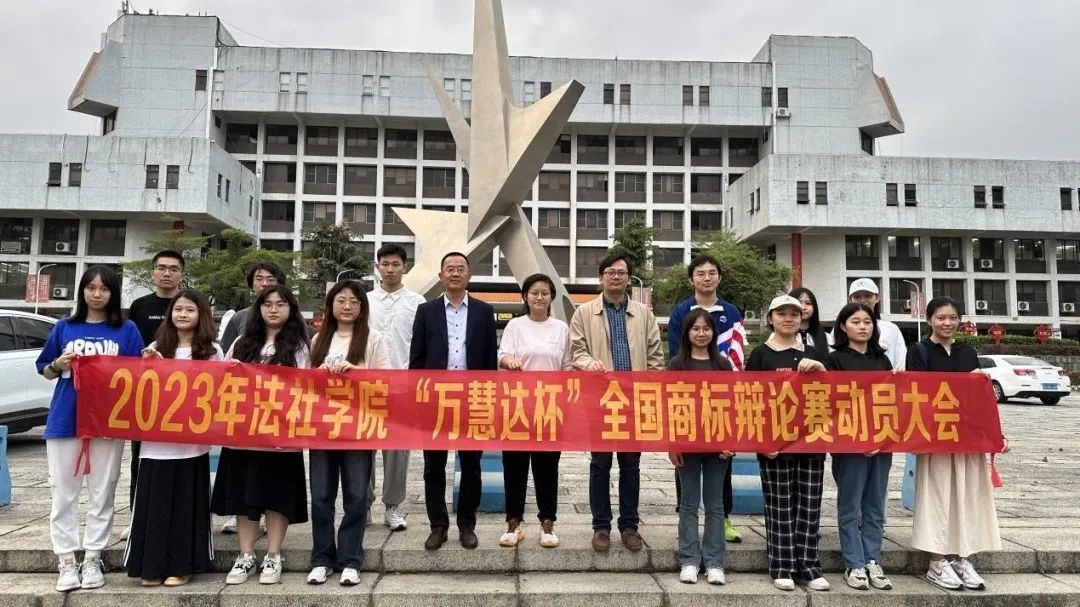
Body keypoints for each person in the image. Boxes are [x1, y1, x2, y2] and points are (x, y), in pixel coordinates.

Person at [36, 265, 144, 592]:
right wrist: (59, 364)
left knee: (103, 491)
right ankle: (66, 560)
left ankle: (94, 556)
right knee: (63, 494)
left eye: (104, 289)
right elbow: (45, 369)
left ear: (113, 293)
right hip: (65, 419)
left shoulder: (126, 329)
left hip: (108, 422)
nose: (97, 294)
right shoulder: (64, 326)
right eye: (91, 288)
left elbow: (139, 375)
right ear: (82, 291)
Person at [907, 296, 1007, 591]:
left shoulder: (968, 352)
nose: (947, 323)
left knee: (968, 496)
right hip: (935, 437)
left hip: (968, 437)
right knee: (937, 496)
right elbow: (916, 393)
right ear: (929, 320)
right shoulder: (919, 351)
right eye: (941, 317)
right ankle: (937, 561)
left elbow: (979, 400)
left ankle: (963, 558)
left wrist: (996, 435)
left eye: (953, 317)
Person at [212, 284, 310, 585]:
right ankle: (245, 555)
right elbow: (222, 379)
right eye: (267, 304)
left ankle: (273, 554)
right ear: (259, 308)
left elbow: (305, 387)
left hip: (281, 437)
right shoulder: (242, 342)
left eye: (280, 304)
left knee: (276, 496)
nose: (273, 309)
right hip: (244, 434)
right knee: (245, 495)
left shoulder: (299, 346)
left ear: (291, 309)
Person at [125, 290, 221, 587]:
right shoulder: (155, 348)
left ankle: (182, 566)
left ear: (201, 315)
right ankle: (149, 566)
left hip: (192, 445)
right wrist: (146, 366)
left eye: (189, 309)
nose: (182, 314)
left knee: (185, 507)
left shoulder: (212, 351)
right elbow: (139, 390)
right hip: (155, 443)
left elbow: (222, 389)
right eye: (178, 309)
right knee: (153, 506)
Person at [570, 254, 664, 553]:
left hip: (633, 401)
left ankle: (630, 526)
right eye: (610, 272)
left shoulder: (643, 314)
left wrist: (651, 391)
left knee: (631, 464)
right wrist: (589, 363)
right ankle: (601, 526)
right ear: (601, 277)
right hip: (600, 400)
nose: (615, 277)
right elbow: (576, 351)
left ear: (628, 279)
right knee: (600, 463)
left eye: (621, 273)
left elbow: (655, 357)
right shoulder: (584, 312)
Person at [410, 252, 497, 551]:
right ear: (441, 276)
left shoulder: (485, 312)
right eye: (450, 269)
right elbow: (417, 359)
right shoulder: (426, 311)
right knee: (433, 466)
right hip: (435, 399)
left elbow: (490, 359)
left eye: (461, 268)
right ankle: (438, 526)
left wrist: (490, 398)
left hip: (473, 398)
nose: (455, 273)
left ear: (469, 275)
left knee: (471, 464)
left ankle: (467, 525)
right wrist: (418, 397)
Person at [307, 281, 391, 586]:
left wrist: (356, 373)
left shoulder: (374, 339)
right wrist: (318, 375)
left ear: (362, 307)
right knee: (321, 496)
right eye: (341, 300)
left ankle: (351, 559)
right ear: (331, 305)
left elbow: (387, 380)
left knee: (356, 496)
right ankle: (321, 558)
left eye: (354, 301)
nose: (347, 306)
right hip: (322, 429)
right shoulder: (318, 339)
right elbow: (302, 383)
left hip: (358, 429)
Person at [745, 294, 830, 592]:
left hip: (811, 441)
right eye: (781, 313)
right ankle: (781, 565)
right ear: (770, 318)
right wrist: (761, 440)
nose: (788, 318)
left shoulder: (815, 353)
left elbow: (834, 395)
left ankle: (809, 565)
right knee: (779, 505)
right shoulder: (759, 355)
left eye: (794, 313)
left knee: (809, 503)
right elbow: (749, 401)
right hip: (774, 443)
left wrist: (821, 370)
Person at [666, 254, 744, 544]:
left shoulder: (731, 312)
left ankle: (723, 517)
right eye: (701, 273)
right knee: (684, 463)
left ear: (719, 278)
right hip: (688, 400)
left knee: (723, 459)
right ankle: (684, 515)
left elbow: (737, 354)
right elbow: (677, 352)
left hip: (721, 400)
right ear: (692, 279)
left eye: (712, 273)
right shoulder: (681, 311)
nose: (707, 278)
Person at [497, 273, 571, 549]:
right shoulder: (515, 326)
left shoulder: (561, 329)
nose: (539, 297)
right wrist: (509, 361)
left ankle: (547, 523)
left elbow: (566, 366)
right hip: (517, 405)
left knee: (547, 467)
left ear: (551, 297)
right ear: (525, 296)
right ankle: (513, 522)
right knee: (514, 466)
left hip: (550, 407)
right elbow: (502, 355)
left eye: (545, 293)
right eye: (534, 292)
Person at [824, 303, 894, 591]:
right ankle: (854, 562)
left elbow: (892, 402)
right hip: (849, 443)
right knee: (850, 505)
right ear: (843, 326)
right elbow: (831, 405)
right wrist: (858, 438)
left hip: (881, 442)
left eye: (867, 321)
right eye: (856, 321)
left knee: (875, 504)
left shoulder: (883, 360)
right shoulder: (834, 361)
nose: (863, 326)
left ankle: (872, 559)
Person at [218, 261, 285, 535]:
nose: (264, 283)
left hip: (278, 411)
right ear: (251, 284)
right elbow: (224, 361)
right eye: (259, 278)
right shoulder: (239, 319)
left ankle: (270, 516)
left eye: (270, 278)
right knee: (244, 466)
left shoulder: (291, 323)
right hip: (244, 409)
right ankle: (241, 514)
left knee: (271, 468)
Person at [667, 309, 733, 585]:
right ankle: (690, 560)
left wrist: (730, 440)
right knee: (688, 503)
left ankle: (715, 562)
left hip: (718, 445)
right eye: (696, 328)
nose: (701, 333)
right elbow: (669, 405)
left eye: (706, 328)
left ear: (713, 332)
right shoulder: (677, 364)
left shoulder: (723, 364)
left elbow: (732, 404)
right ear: (687, 332)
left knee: (716, 504)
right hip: (687, 443)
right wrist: (672, 443)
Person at [366, 243, 424, 532]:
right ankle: (363, 504)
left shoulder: (418, 302)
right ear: (377, 266)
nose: (390, 269)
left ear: (405, 267)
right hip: (366, 386)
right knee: (362, 447)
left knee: (397, 450)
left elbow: (422, 344)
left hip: (402, 387)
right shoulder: (364, 301)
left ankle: (393, 506)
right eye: (385, 264)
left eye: (396, 264)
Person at [125, 250, 186, 521]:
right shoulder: (139, 305)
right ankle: (136, 516)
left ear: (181, 274)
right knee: (140, 457)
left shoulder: (188, 303)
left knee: (181, 458)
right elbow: (130, 350)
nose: (167, 273)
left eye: (173, 269)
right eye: (161, 268)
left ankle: (178, 516)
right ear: (153, 273)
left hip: (182, 396)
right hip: (145, 395)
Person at [847, 278, 906, 370]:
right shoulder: (843, 327)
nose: (862, 300)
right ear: (850, 300)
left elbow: (900, 363)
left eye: (868, 295)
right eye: (857, 297)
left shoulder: (891, 329)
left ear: (877, 298)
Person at [789, 286, 829, 351]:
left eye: (808, 303)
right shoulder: (782, 336)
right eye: (798, 303)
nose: (803, 307)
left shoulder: (826, 337)